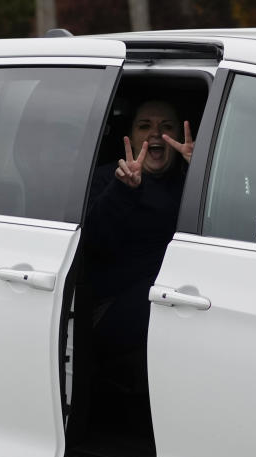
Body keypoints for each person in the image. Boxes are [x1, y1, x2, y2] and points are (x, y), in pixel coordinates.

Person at [83, 100, 194, 360]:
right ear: (131, 137)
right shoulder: (107, 178)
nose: (155, 133)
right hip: (114, 305)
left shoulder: (193, 182)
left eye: (166, 127)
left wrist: (202, 168)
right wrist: (123, 190)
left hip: (178, 296)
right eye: (145, 126)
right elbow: (93, 242)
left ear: (178, 136)